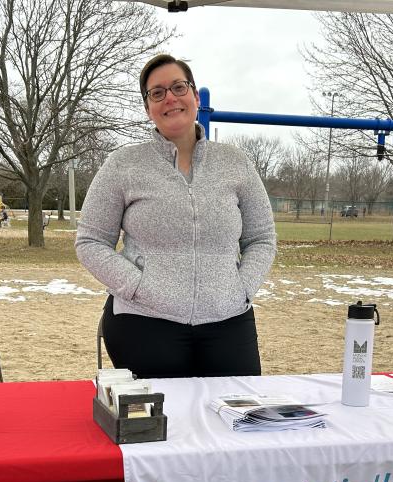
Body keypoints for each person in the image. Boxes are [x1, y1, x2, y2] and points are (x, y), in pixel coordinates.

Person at [75, 54, 276, 379]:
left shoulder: (236, 163)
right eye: (157, 92)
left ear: (195, 97)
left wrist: (242, 288)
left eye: (178, 87)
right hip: (143, 322)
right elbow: (90, 241)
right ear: (148, 108)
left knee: (236, 417)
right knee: (160, 424)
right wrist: (136, 285)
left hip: (228, 322)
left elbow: (262, 238)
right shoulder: (122, 165)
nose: (170, 97)